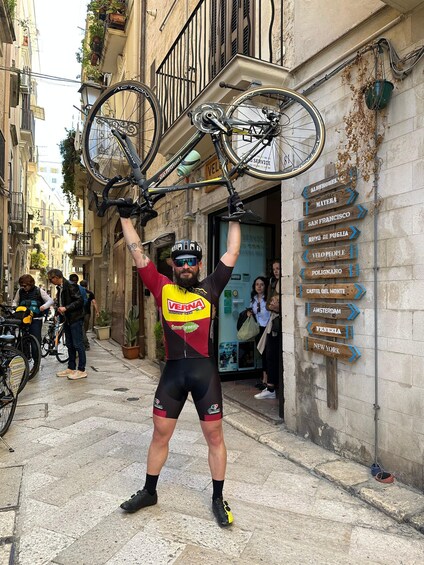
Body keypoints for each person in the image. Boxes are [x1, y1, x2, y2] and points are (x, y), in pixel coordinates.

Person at [117, 194, 241, 528]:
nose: (186, 266)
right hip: (172, 372)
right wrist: (125, 218)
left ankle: (217, 498)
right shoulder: (161, 287)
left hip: (204, 373)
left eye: (192, 261)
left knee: (215, 437)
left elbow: (232, 252)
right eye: (180, 261)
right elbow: (137, 253)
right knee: (160, 434)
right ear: (172, 265)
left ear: (199, 265)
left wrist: (234, 216)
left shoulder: (211, 287)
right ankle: (149, 491)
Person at [47, 269, 87, 380]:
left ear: (56, 277)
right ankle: (71, 367)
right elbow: (61, 302)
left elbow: (79, 301)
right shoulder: (60, 287)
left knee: (78, 344)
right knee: (70, 344)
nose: (50, 281)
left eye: (51, 279)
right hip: (67, 319)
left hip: (75, 319)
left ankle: (82, 370)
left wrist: (66, 308)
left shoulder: (70, 285)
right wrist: (58, 313)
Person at [12, 274, 54, 344]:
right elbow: (15, 301)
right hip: (24, 319)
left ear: (30, 284)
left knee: (35, 340)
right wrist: (14, 307)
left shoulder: (39, 291)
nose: (23, 287)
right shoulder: (20, 291)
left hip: (36, 319)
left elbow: (50, 301)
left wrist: (43, 307)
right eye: (22, 286)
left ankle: (36, 351)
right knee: (23, 340)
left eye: (25, 286)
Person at [254, 294, 281, 400]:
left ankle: (271, 389)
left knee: (272, 359)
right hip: (271, 332)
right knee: (269, 358)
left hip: (275, 334)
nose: (272, 302)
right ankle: (270, 388)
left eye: (275, 301)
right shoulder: (272, 312)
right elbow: (268, 306)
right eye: (272, 300)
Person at [247, 276, 270, 390]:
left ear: (265, 286)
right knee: (261, 354)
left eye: (261, 284)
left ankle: (267, 380)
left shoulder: (268, 298)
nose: (259, 287)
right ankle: (264, 379)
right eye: (257, 284)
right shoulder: (253, 299)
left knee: (267, 355)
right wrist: (249, 313)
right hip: (258, 329)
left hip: (267, 329)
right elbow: (252, 311)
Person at [79, 280, 99, 350]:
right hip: (87, 313)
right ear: (87, 285)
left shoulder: (78, 292)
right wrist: (97, 312)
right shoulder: (90, 293)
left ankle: (84, 341)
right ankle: (85, 342)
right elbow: (94, 302)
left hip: (79, 313)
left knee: (82, 329)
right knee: (84, 328)